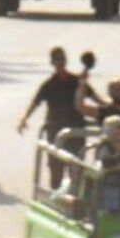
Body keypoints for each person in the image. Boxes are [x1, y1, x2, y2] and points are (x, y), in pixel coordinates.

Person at [18, 46, 86, 189]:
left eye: (62, 58)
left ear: (66, 60)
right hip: (55, 133)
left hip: (76, 133)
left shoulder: (77, 82)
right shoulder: (48, 85)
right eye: (57, 59)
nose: (60, 62)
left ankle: (75, 204)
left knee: (77, 171)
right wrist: (23, 119)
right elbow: (34, 104)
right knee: (56, 173)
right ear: (52, 63)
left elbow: (96, 99)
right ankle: (56, 200)